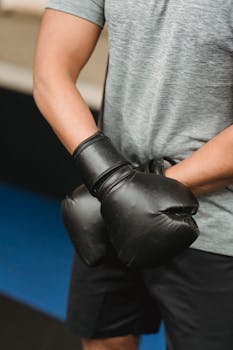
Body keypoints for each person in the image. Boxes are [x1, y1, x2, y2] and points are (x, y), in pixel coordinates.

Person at [33, 1, 233, 349]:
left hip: (215, 223)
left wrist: (129, 190)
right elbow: (51, 73)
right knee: (104, 341)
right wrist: (111, 180)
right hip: (110, 209)